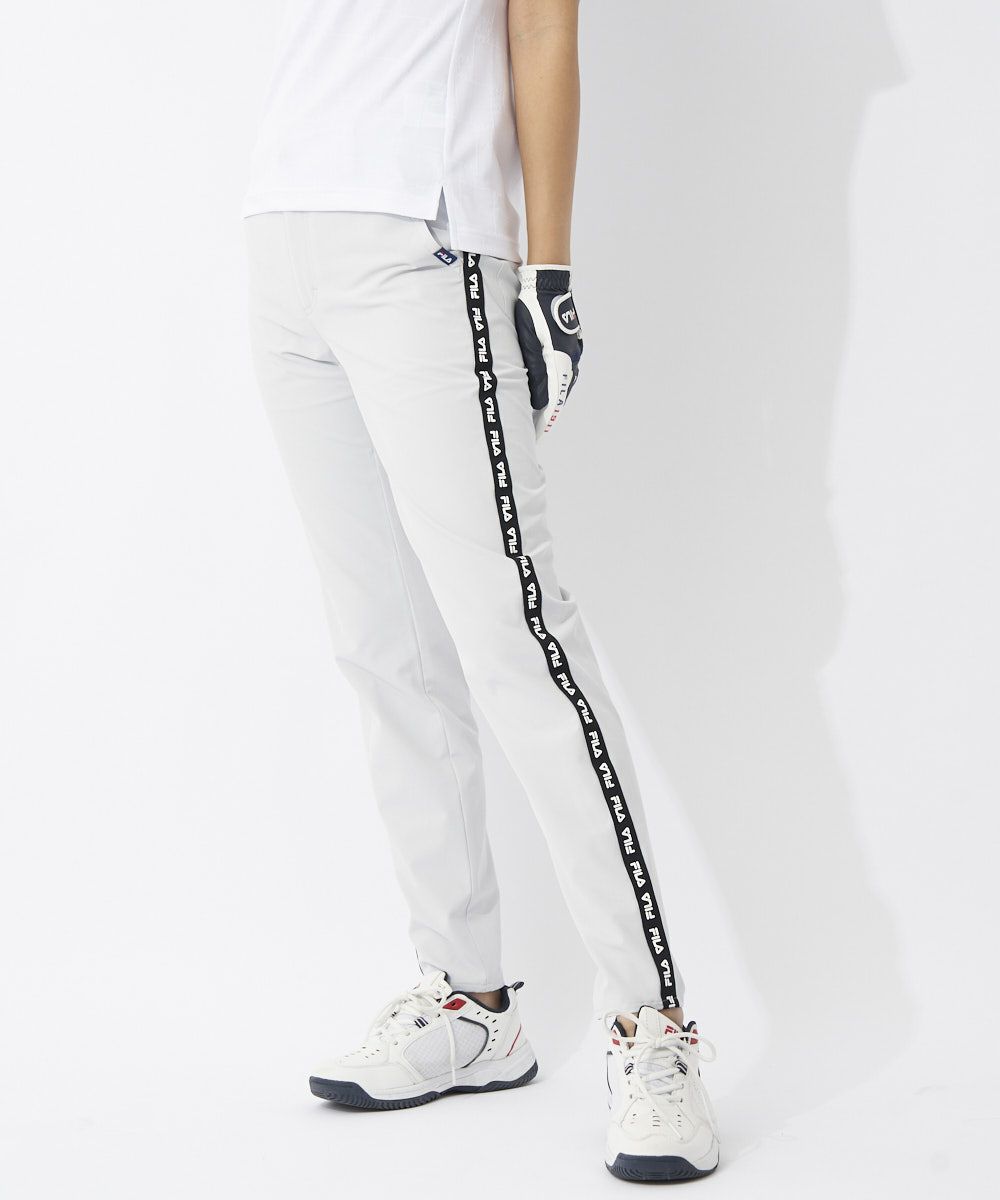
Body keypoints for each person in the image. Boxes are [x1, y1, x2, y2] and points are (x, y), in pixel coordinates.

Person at [243, 0, 719, 1182]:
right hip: (283, 233)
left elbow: (542, 30)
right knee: (383, 650)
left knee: (521, 647)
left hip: (424, 238)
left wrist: (547, 269)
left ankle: (650, 1025)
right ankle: (471, 1005)